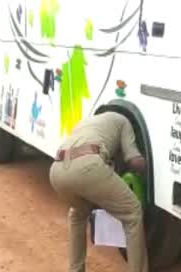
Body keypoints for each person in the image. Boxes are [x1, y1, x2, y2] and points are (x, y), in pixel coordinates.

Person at [49, 111, 147, 272]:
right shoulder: (124, 121)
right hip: (88, 167)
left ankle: (75, 270)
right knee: (133, 212)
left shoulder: (88, 123)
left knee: (78, 214)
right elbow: (134, 161)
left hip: (56, 171)